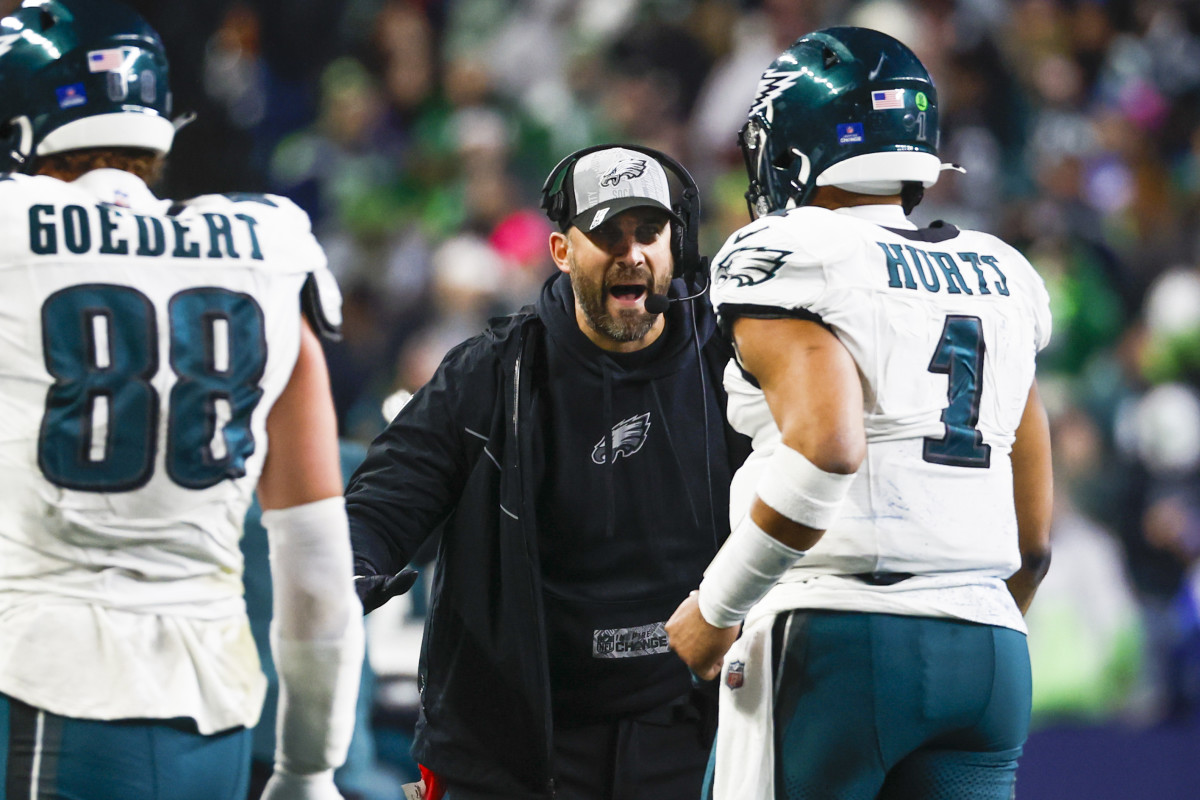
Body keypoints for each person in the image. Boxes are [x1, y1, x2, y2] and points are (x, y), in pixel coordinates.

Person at [665, 27, 1054, 800]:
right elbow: (1033, 539)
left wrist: (716, 606)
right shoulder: (1003, 272)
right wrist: (956, 613)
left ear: (793, 147)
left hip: (840, 634)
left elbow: (826, 448)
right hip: (991, 650)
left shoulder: (787, 248)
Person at [0, 2, 363, 799]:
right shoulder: (267, 250)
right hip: (216, 717)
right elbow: (315, 563)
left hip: (49, 692)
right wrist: (309, 767)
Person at [346, 144, 750, 800]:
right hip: (514, 748)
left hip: (686, 734)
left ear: (677, 245)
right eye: (607, 234)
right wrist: (346, 564)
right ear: (562, 251)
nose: (633, 253)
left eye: (649, 232)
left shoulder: (729, 367)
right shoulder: (490, 372)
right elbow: (389, 496)